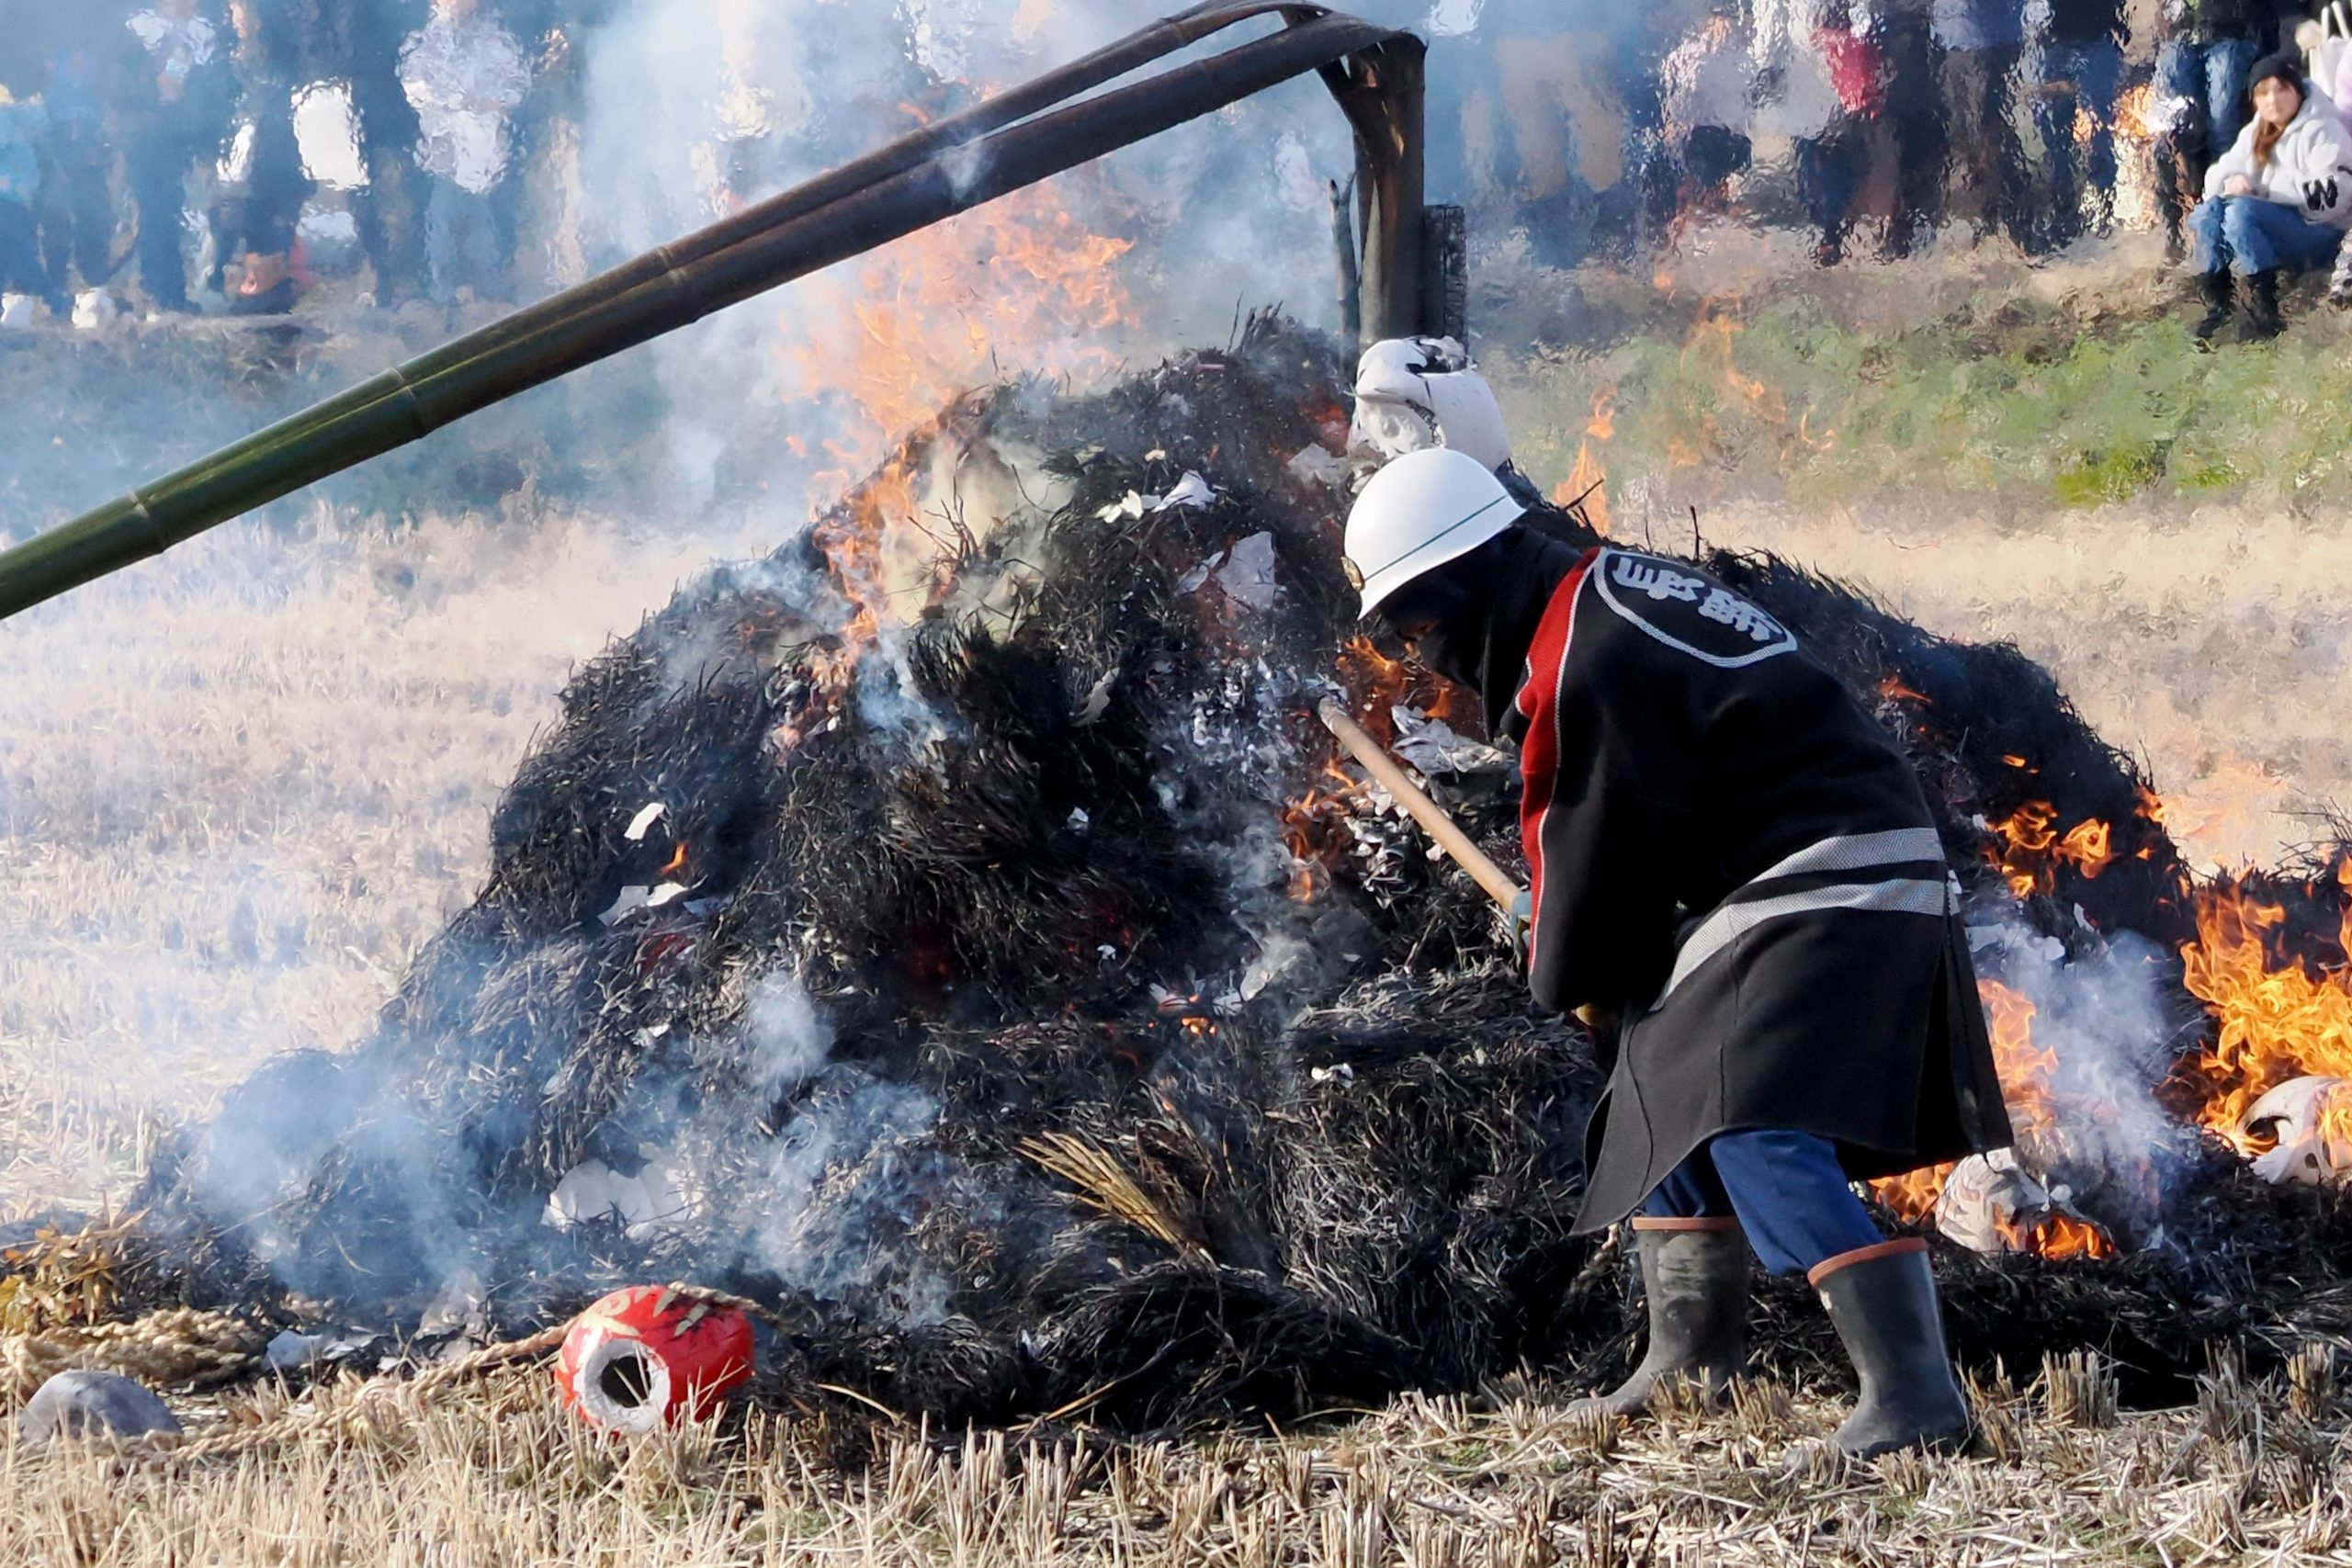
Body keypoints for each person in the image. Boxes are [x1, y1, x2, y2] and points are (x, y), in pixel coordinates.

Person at [1340, 448, 2013, 1461]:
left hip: (1833, 871)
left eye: (1419, 623)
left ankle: (1913, 1394)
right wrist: (1584, 955)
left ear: (1474, 576)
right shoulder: (1604, 597)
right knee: (1658, 1086)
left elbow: (1589, 838)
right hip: (1797, 869)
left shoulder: (1585, 654)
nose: (1422, 654)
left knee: (1752, 1117)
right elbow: (1631, 837)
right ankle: (1690, 1360)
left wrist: (1557, 950)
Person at [2188, 54, 2352, 343]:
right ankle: (2218, 303)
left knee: (2241, 213)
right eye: (2263, 93)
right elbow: (2217, 176)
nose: (2273, 99)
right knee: (2209, 212)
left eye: (2281, 89)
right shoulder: (2255, 131)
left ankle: (2265, 308)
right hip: (2277, 225)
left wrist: (2262, 192)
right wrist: (2229, 183)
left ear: (2296, 90)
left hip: (2322, 232)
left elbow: (2333, 197)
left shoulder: (2323, 129)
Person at [399, 0, 532, 304]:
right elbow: (413, 86)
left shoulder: (495, 38)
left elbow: (517, 85)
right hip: (441, 156)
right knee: (441, 228)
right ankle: (442, 295)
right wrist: (455, 101)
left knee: (485, 230)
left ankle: (488, 293)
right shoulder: (422, 39)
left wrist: (493, 103)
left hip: (487, 157)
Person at [122, 0, 231, 314]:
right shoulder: (139, 30)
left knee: (180, 217)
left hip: (182, 141)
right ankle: (162, 293)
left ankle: (179, 290)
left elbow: (210, 94)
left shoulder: (204, 33)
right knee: (157, 216)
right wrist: (153, 88)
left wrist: (208, 145)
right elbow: (126, 86)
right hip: (150, 138)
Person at [209, 0, 311, 315]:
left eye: (247, 9)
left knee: (271, 242)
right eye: (235, 8)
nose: (241, 17)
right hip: (232, 171)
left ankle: (270, 301)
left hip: (273, 168)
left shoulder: (281, 56)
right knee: (228, 238)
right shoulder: (221, 58)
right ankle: (227, 295)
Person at [0, 83, 70, 321]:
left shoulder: (5, 121)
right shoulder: (26, 134)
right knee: (17, 256)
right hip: (16, 203)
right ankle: (54, 300)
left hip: (6, 202)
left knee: (18, 257)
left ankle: (54, 299)